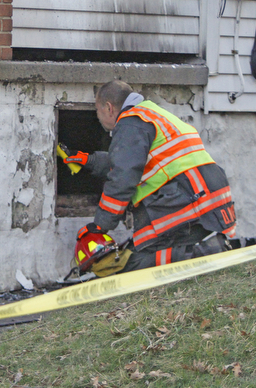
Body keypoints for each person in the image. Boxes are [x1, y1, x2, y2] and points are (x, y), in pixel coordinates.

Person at [63, 80, 237, 273]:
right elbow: (130, 161)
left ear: (109, 108)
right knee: (143, 251)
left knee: (133, 264)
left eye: (97, 110)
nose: (98, 116)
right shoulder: (149, 114)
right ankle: (207, 249)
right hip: (206, 199)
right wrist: (90, 160)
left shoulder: (130, 123)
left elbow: (123, 177)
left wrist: (100, 226)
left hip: (188, 202)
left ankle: (202, 254)